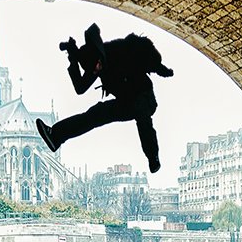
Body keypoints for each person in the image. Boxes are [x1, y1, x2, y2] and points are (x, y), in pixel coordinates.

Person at [36, 23, 173, 173]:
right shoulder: (94, 66)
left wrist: (162, 69)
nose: (97, 70)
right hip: (124, 102)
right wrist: (73, 60)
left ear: (99, 55)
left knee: (142, 116)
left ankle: (153, 157)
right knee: (95, 114)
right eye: (94, 70)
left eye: (98, 65)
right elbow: (80, 88)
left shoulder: (118, 49)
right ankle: (55, 136)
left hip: (144, 96)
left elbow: (143, 48)